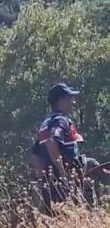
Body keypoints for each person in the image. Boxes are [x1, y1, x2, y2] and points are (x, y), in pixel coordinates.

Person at [30, 83, 85, 213]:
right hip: (65, 180)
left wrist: (42, 178)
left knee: (55, 218)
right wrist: (62, 171)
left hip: (49, 183)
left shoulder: (46, 123)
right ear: (61, 100)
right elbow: (51, 141)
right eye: (70, 98)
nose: (73, 102)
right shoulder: (60, 121)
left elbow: (34, 155)